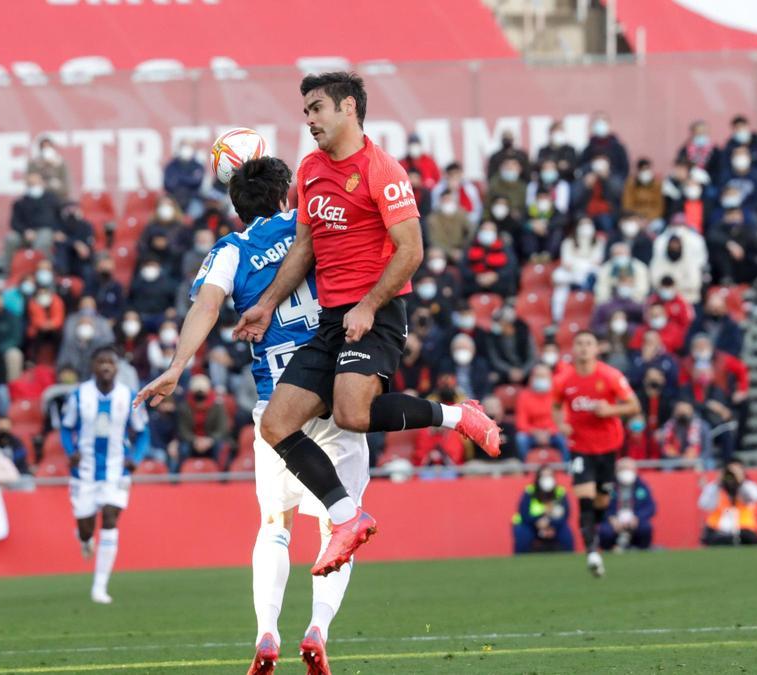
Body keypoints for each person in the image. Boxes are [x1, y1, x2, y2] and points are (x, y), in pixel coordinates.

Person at [234, 72, 500, 588]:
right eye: (305, 110)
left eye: (316, 109)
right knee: (275, 425)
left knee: (352, 413)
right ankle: (346, 517)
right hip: (332, 321)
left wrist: (369, 304)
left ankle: (455, 414)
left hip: (376, 314)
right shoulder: (310, 170)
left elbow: (412, 251)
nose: (308, 119)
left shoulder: (382, 170)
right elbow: (304, 248)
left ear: (348, 108)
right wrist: (267, 304)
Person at [133, 156, 369, 674]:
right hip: (331, 386)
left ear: (234, 206)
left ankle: (267, 632)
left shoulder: (230, 250)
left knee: (274, 525)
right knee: (340, 526)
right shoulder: (310, 222)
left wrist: (176, 367)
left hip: (276, 406)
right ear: (284, 192)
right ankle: (318, 628)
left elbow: (207, 306)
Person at [59, 346, 149, 605]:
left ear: (117, 367)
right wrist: (71, 451)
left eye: (110, 362)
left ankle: (100, 587)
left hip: (115, 469)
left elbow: (142, 432)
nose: (106, 366)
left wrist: (137, 458)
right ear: (93, 367)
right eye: (101, 362)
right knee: (86, 529)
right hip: (84, 471)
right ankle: (85, 538)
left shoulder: (129, 397)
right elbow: (66, 428)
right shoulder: (78, 396)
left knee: (110, 517)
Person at [551, 330, 641, 578]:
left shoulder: (610, 376)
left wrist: (610, 410)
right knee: (585, 498)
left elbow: (634, 405)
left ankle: (594, 534)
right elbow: (556, 406)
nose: (583, 348)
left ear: (596, 349)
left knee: (601, 500)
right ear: (573, 348)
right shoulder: (563, 379)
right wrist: (561, 425)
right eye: (579, 343)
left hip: (609, 447)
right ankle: (591, 551)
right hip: (579, 447)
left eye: (588, 343)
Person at [512, 466, 574, 554]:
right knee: (522, 535)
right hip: (530, 524)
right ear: (538, 478)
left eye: (549, 476)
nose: (547, 479)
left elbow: (565, 515)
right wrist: (538, 522)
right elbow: (523, 513)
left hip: (554, 524)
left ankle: (569, 559)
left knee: (566, 535)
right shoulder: (529, 491)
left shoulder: (560, 492)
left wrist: (550, 524)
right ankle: (519, 561)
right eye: (544, 476)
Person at [700, 460, 757, 546]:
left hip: (743, 529)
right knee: (711, 538)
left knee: (748, 538)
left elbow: (755, 497)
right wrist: (717, 483)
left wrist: (740, 482)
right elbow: (704, 504)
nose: (732, 475)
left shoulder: (749, 485)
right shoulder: (715, 487)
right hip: (717, 529)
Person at [598, 458, 655, 551]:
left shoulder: (642, 486)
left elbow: (651, 507)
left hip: (635, 520)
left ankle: (640, 550)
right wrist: (611, 518)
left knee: (645, 528)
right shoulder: (608, 487)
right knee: (605, 531)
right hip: (615, 520)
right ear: (616, 470)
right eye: (623, 469)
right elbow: (600, 507)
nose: (626, 472)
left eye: (629, 469)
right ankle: (610, 551)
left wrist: (637, 517)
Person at [515, 364, 569, 461]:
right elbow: (521, 423)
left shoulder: (557, 394)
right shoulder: (524, 396)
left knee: (565, 438)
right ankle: (525, 471)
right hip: (532, 434)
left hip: (553, 433)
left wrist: (549, 432)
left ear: (550, 378)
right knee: (520, 439)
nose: (541, 379)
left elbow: (563, 418)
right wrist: (535, 432)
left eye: (544, 376)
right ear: (532, 378)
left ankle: (566, 470)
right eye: (538, 376)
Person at [6, 173, 59, 264]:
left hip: (45, 230)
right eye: (31, 184)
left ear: (43, 183)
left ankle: (42, 273)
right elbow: (14, 222)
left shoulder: (51, 199)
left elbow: (58, 218)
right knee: (11, 239)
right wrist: (25, 231)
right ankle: (10, 273)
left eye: (36, 183)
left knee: (42, 242)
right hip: (26, 233)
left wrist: (57, 231)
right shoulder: (20, 202)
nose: (34, 187)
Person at [461, 220, 517, 296]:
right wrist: (476, 276)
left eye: (491, 230)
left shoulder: (504, 247)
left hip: (499, 284)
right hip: (475, 284)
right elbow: (463, 266)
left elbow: (511, 266)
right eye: (485, 230)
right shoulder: (471, 246)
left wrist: (496, 275)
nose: (487, 232)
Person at [579, 112, 630, 180]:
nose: (600, 124)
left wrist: (609, 174)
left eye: (603, 120)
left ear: (609, 124)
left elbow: (624, 170)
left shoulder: (618, 148)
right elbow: (581, 167)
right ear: (593, 125)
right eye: (597, 121)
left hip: (612, 181)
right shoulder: (588, 148)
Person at [163, 141, 206, 217]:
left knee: (197, 212)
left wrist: (178, 178)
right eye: (184, 146)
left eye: (189, 147)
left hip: (193, 198)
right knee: (165, 211)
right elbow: (168, 184)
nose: (186, 150)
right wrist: (188, 178)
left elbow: (196, 182)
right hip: (174, 198)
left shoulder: (198, 166)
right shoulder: (171, 165)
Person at [27, 135, 70, 202]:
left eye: (48, 147)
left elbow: (66, 188)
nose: (46, 149)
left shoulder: (60, 164)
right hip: (39, 202)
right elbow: (31, 184)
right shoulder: (33, 164)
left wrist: (52, 166)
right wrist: (41, 166)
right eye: (43, 147)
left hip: (57, 200)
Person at [622, 159, 665, 225]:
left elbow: (659, 207)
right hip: (636, 218)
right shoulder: (631, 184)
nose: (645, 172)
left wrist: (648, 219)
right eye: (643, 170)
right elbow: (627, 205)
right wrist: (637, 218)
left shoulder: (657, 185)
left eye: (647, 169)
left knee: (658, 224)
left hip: (652, 219)